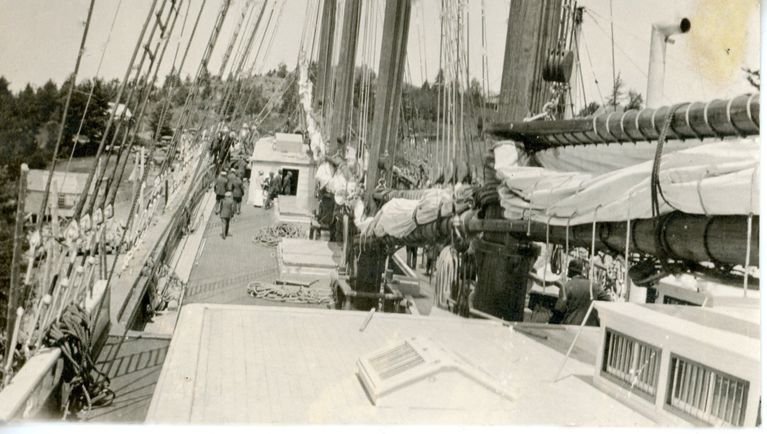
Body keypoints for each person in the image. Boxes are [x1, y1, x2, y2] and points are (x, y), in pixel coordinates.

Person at [549, 258, 612, 326]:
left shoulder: (567, 286)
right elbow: (608, 300)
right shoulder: (593, 286)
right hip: (592, 327)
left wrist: (550, 324)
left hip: (572, 326)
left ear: (570, 271)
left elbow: (560, 309)